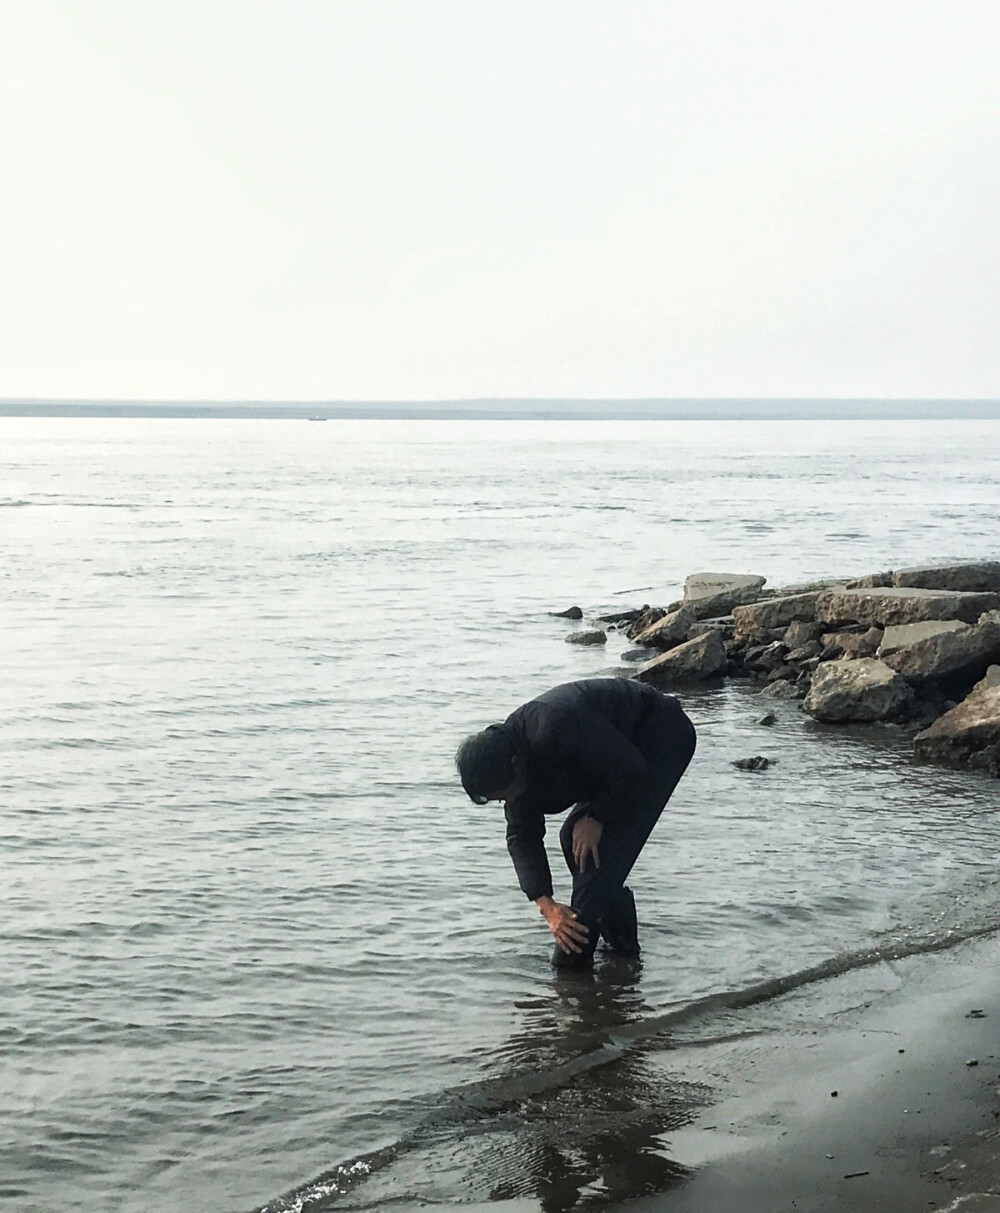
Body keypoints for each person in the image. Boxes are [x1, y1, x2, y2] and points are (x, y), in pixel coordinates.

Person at [456, 677, 696, 969]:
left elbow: (629, 769)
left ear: (517, 767)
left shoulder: (554, 727)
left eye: (505, 796)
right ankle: (623, 955)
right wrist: (548, 907)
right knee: (576, 841)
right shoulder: (508, 760)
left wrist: (597, 816)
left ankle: (576, 975)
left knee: (595, 860)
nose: (507, 803)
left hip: (659, 735)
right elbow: (522, 836)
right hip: (613, 763)